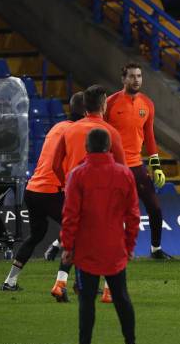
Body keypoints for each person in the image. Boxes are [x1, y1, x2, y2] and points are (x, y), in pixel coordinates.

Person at [60, 128, 139, 344]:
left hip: (87, 249)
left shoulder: (78, 175)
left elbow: (70, 215)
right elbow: (133, 215)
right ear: (109, 147)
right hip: (115, 248)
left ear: (87, 147)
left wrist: (67, 246)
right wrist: (130, 245)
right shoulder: (124, 174)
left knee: (86, 299)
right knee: (122, 297)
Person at [0, 92, 85, 293]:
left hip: (32, 189)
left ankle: (9, 281)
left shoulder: (57, 127)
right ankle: (70, 283)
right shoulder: (78, 132)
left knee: (36, 234)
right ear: (86, 109)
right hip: (51, 190)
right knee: (79, 232)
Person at [50, 84, 126, 303]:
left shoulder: (69, 130)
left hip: (74, 194)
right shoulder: (110, 132)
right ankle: (108, 290)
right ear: (103, 105)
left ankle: (60, 283)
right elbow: (122, 170)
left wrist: (67, 184)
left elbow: (55, 165)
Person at [105, 62, 172, 259]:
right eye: (132, 76)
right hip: (115, 166)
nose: (136, 80)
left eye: (139, 76)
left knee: (155, 208)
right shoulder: (110, 103)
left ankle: (156, 249)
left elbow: (149, 137)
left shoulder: (148, 104)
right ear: (123, 79)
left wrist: (156, 167)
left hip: (137, 166)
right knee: (115, 212)